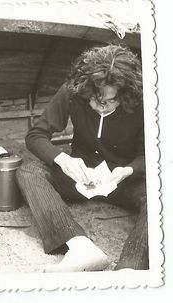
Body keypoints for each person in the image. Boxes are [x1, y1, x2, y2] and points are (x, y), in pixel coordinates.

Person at [16, 44, 147, 272]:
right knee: (29, 171)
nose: (99, 107)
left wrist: (129, 170)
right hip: (80, 177)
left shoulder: (143, 103)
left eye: (109, 102)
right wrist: (62, 160)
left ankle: (129, 271)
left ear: (126, 95)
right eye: (94, 99)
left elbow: (155, 154)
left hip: (123, 180)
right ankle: (80, 246)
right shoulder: (75, 91)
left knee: (163, 196)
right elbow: (36, 135)